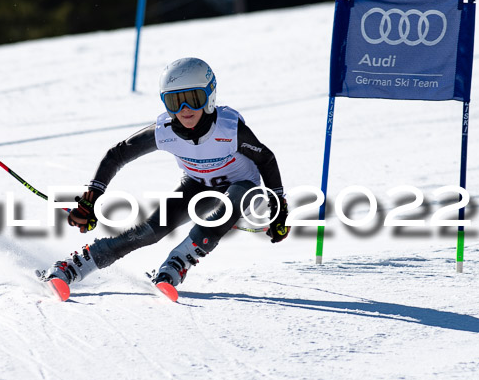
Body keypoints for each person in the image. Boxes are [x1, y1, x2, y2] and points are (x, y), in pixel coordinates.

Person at [36, 57, 289, 290]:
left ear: (210, 97)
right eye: (175, 101)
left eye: (194, 98)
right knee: (150, 231)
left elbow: (266, 159)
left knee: (234, 198)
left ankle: (179, 261)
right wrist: (90, 199)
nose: (185, 109)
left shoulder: (230, 129)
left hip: (243, 188)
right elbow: (117, 155)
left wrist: (279, 209)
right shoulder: (165, 132)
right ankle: (75, 265)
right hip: (196, 187)